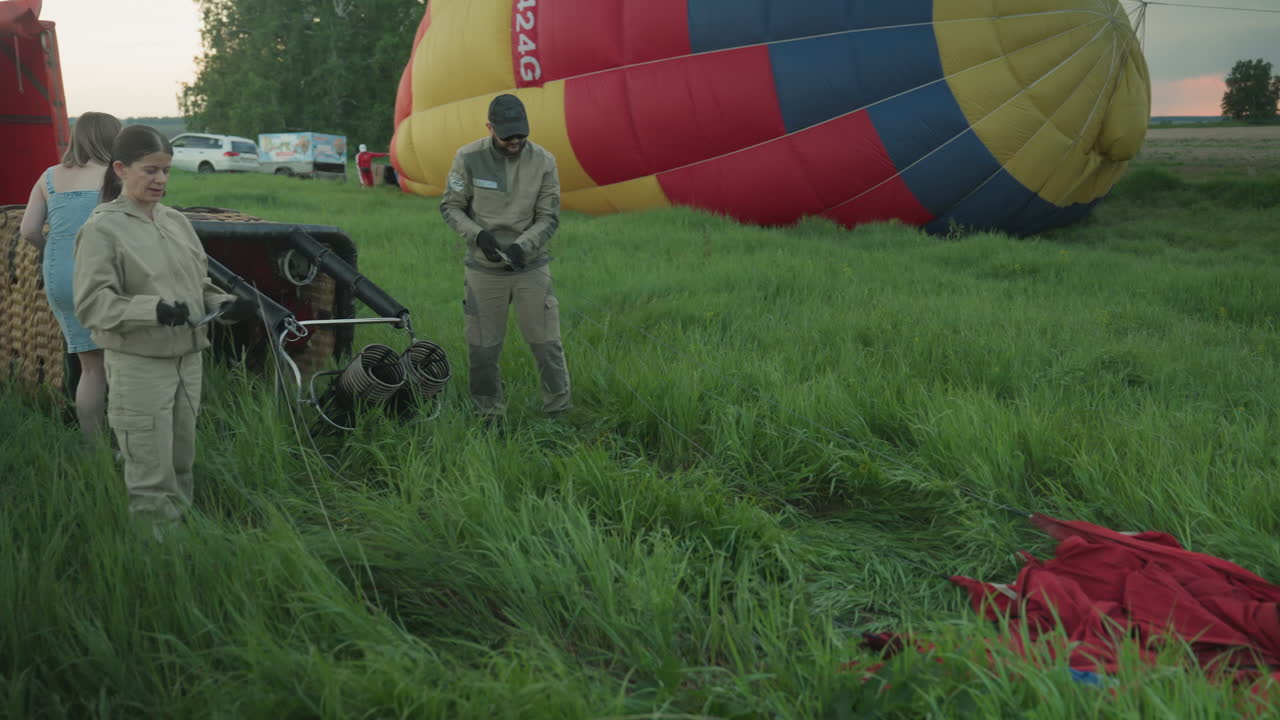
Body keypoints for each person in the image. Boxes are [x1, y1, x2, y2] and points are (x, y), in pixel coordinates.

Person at [73, 124, 255, 528]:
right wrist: (151, 310)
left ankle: (183, 543)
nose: (160, 180)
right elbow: (91, 304)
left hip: (189, 360)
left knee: (181, 460)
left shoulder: (176, 222)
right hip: (140, 364)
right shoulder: (102, 229)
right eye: (150, 170)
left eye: (166, 171)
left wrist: (223, 304)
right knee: (150, 471)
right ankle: (156, 555)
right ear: (120, 168)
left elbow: (199, 283)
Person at [440, 93, 570, 419]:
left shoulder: (544, 162)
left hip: (530, 266)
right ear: (489, 127)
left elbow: (548, 217)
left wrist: (521, 247)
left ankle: (557, 413)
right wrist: (479, 236)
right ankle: (488, 415)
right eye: (507, 135)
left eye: (521, 134)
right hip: (484, 270)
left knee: (547, 345)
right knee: (483, 350)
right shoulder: (467, 158)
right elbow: (451, 207)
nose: (515, 141)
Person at [20, 111, 122, 442]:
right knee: (120, 364)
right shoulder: (116, 176)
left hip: (61, 276)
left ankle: (93, 451)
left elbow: (29, 230)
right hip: (104, 275)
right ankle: (128, 444)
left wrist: (55, 251)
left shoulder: (49, 176)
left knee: (91, 368)